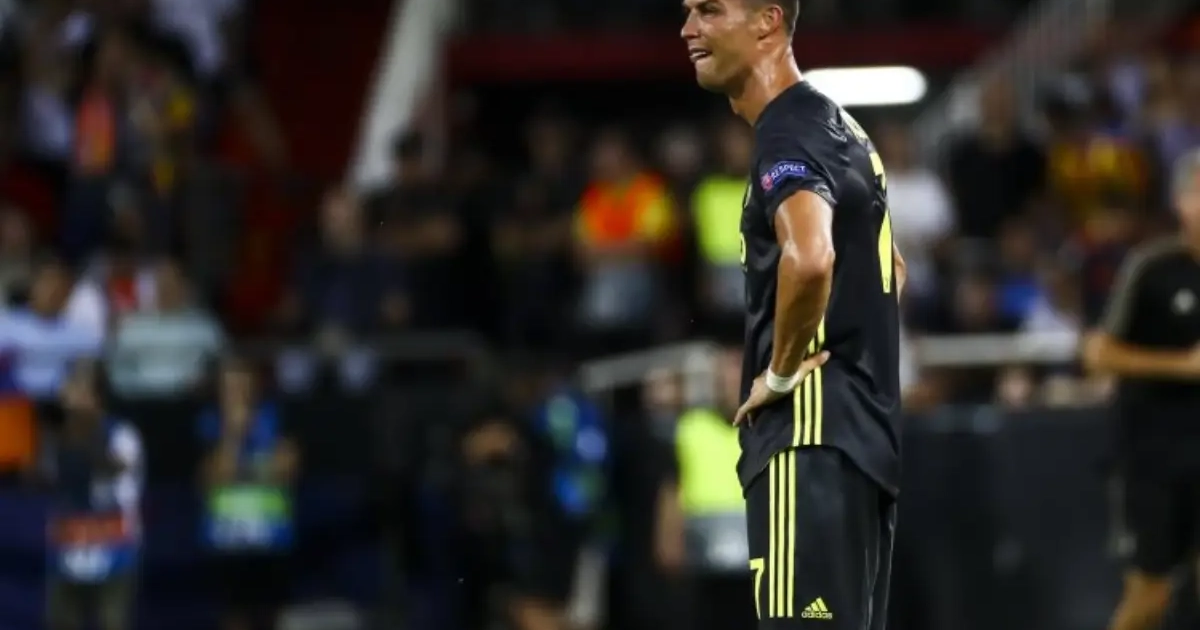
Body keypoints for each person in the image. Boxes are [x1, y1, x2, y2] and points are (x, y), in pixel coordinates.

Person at [681, 1, 907, 628]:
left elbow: (810, 259)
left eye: (709, 10)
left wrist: (779, 374)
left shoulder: (787, 132)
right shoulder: (841, 127)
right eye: (688, 12)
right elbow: (893, 269)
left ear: (767, 21)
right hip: (861, 443)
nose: (688, 29)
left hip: (807, 439)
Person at [1082, 149, 1200, 630]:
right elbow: (1098, 354)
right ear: (1181, 202)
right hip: (1152, 454)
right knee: (1150, 595)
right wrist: (1182, 366)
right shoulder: (1153, 266)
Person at [199, 358, 299, 630]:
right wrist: (233, 436)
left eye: (241, 386)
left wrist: (255, 467)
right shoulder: (209, 423)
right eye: (229, 388)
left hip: (271, 535)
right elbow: (215, 477)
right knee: (234, 617)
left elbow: (287, 470)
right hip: (227, 538)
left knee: (271, 616)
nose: (235, 394)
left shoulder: (275, 417)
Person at [42, 360, 143, 630]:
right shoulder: (58, 435)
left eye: (77, 389)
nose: (68, 397)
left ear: (95, 397)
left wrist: (84, 434)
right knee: (63, 620)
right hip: (68, 541)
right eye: (68, 388)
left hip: (112, 541)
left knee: (111, 621)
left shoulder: (122, 434)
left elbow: (119, 477)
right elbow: (44, 479)